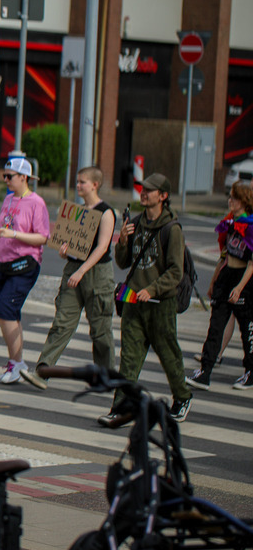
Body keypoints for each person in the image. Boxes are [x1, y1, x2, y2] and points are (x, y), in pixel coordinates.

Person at [105, 172, 192, 425]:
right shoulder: (135, 223)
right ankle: (121, 406)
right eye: (143, 189)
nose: (143, 193)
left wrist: (152, 290)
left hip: (160, 304)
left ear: (163, 196)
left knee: (168, 354)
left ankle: (182, 397)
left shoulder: (171, 229)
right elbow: (124, 263)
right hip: (133, 301)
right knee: (129, 357)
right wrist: (122, 241)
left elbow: (175, 271)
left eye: (149, 190)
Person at [21, 167, 117, 389]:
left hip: (97, 274)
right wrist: (65, 252)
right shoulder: (78, 211)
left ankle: (106, 375)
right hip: (73, 270)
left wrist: (82, 271)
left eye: (82, 182)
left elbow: (102, 247)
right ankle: (43, 371)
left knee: (100, 329)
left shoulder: (106, 212)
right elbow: (72, 245)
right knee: (62, 323)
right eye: (77, 181)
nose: (78, 185)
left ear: (95, 185)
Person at [187, 182, 253, 390]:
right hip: (226, 277)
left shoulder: (250, 226)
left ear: (244, 201)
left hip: (242, 280)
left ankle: (250, 371)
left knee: (247, 328)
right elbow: (224, 255)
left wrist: (240, 288)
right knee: (215, 325)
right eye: (230, 197)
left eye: (234, 198)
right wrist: (214, 281)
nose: (230, 201)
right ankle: (205, 371)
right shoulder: (230, 224)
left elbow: (252, 264)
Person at [0, 158, 49, 384]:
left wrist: (14, 234)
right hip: (2, 261)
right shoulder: (8, 198)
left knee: (6, 309)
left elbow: (42, 236)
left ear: (24, 177)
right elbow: (4, 226)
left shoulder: (36, 202)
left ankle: (16, 363)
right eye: (4, 176)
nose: (6, 180)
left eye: (10, 176)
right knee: (8, 313)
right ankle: (15, 362)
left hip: (24, 263)